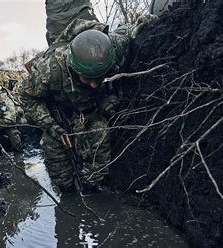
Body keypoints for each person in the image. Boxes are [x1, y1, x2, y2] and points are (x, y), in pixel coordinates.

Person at [20, 15, 156, 194]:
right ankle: (67, 192)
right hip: (59, 112)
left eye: (99, 78)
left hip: (91, 109)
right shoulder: (49, 71)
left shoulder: (114, 46)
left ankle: (91, 188)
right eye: (87, 78)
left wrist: (145, 22)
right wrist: (52, 126)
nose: (93, 84)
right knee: (59, 168)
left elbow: (131, 29)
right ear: (74, 68)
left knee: (100, 134)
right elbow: (27, 96)